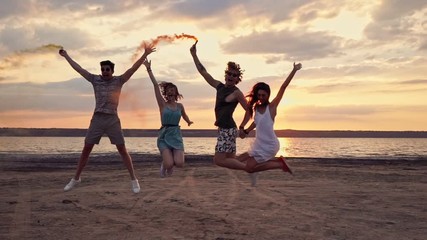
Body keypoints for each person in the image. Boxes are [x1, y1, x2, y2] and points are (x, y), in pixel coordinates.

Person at [59, 45, 156, 193]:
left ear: (112, 71)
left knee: (122, 149)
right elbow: (79, 69)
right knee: (86, 149)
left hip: (112, 119)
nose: (104, 72)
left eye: (107, 69)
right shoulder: (94, 79)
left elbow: (132, 69)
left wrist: (145, 54)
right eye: (103, 69)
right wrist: (66, 56)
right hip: (97, 119)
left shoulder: (119, 80)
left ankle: (134, 180)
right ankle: (76, 178)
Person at [190, 41, 251, 170]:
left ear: (237, 79)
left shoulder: (237, 93)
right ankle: (253, 160)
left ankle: (250, 168)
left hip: (228, 130)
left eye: (234, 75)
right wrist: (194, 55)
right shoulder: (219, 86)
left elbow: (249, 111)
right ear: (226, 74)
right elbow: (204, 72)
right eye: (229, 73)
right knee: (231, 160)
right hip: (224, 129)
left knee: (218, 160)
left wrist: (243, 127)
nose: (231, 76)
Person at [239, 62, 302, 186]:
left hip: (269, 145)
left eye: (264, 95)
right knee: (239, 161)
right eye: (259, 95)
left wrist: (294, 70)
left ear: (268, 95)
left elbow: (283, 88)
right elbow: (256, 123)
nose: (261, 97)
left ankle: (279, 164)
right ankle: (255, 177)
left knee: (249, 167)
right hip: (259, 144)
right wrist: (246, 131)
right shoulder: (256, 108)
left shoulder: (272, 107)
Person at [143, 59, 193, 177]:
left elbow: (184, 115)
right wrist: (149, 69)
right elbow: (155, 85)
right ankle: (165, 164)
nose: (170, 92)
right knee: (169, 164)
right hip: (164, 135)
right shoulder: (162, 104)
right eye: (168, 91)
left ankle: (169, 160)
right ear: (166, 93)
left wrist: (188, 121)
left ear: (176, 94)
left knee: (180, 163)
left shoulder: (180, 106)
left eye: (173, 91)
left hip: (176, 135)